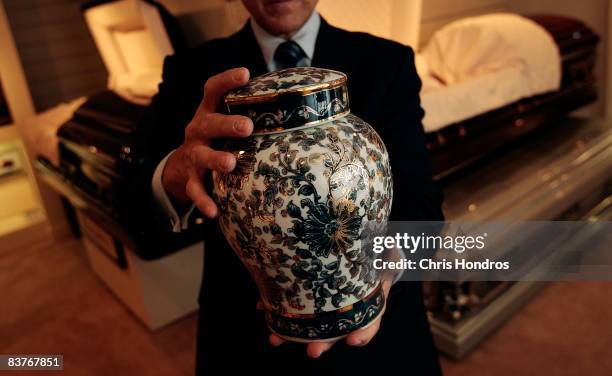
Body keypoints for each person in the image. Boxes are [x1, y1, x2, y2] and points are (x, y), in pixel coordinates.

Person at [140, 0, 444, 374]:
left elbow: (423, 205)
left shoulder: (387, 60)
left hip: (381, 337)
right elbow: (134, 206)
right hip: (245, 339)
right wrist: (175, 173)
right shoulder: (191, 71)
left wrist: (386, 266)